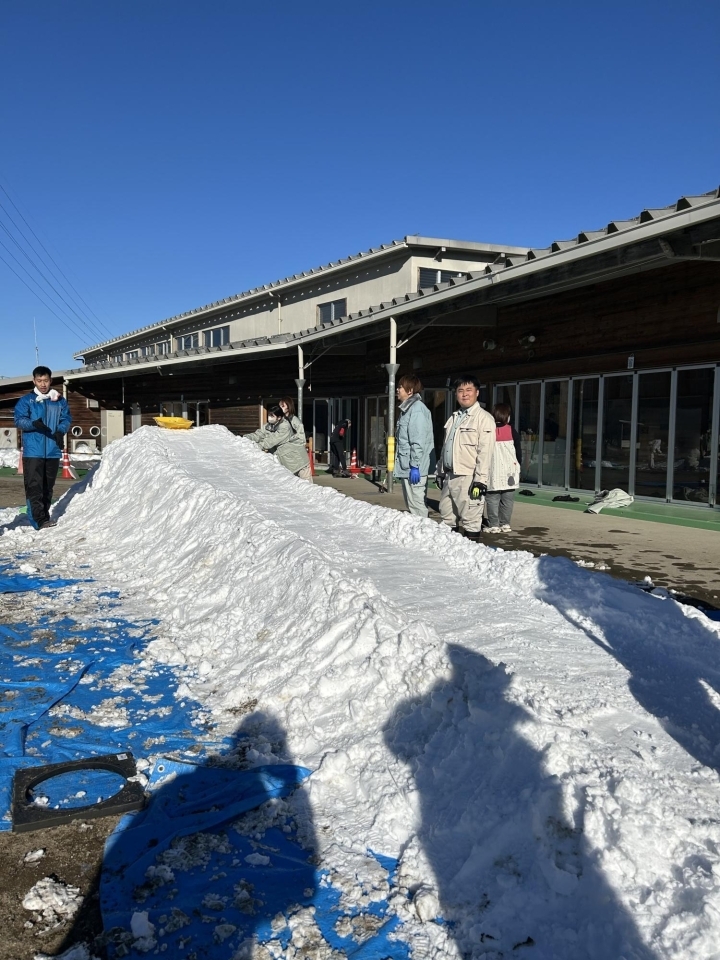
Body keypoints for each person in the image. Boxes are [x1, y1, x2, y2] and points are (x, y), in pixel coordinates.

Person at [436, 375, 496, 541]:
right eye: (460, 390)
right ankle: (449, 552)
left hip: (468, 478)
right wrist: (440, 471)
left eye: (469, 390)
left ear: (477, 392)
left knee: (471, 521)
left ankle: (471, 552)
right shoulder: (454, 417)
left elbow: (485, 453)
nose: (464, 394)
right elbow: (446, 448)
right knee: (447, 518)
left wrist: (480, 481)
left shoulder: (484, 419)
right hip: (449, 475)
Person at [13, 365, 72, 530]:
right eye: (39, 381)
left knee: (48, 486)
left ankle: (44, 516)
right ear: (34, 381)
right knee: (35, 486)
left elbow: (66, 418)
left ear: (50, 380)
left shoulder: (59, 400)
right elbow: (19, 420)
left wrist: (60, 431)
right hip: (33, 451)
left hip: (52, 450)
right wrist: (34, 424)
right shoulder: (27, 400)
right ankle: (38, 519)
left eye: (45, 380)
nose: (43, 384)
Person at [394, 374, 435, 518]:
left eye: (400, 387)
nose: (397, 390)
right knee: (412, 505)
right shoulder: (407, 409)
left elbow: (417, 440)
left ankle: (423, 530)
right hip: (408, 465)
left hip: (414, 467)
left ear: (410, 390)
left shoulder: (417, 410)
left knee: (417, 505)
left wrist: (415, 465)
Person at [246, 405, 313, 480]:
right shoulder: (268, 426)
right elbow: (258, 435)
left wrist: (254, 446)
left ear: (279, 417)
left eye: (272, 416)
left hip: (298, 462)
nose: (269, 418)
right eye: (269, 415)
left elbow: (270, 441)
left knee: (306, 485)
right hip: (287, 464)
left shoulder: (285, 426)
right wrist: (244, 439)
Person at [484, 403, 522, 533]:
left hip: (493, 470)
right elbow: (518, 452)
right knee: (508, 500)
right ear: (507, 416)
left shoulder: (489, 430)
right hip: (510, 472)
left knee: (492, 499)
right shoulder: (512, 431)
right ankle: (505, 524)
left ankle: (494, 525)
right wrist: (519, 465)